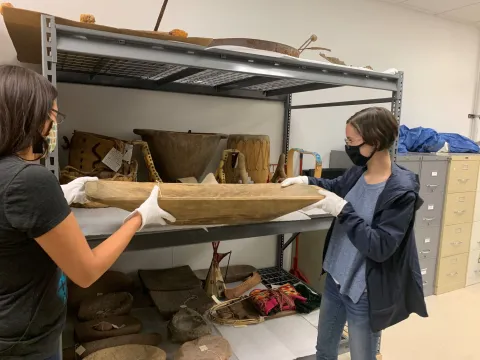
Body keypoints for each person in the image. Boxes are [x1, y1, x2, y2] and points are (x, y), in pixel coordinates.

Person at [0, 65, 175, 359]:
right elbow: (86, 272)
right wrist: (139, 218)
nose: (53, 126)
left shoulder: (11, 176)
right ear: (31, 118)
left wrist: (59, 197)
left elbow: (16, 223)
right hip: (25, 343)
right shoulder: (30, 179)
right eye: (53, 117)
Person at [282, 107, 428, 360]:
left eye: (352, 141)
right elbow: (335, 186)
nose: (347, 146)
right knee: (324, 350)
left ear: (375, 142)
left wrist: (342, 210)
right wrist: (307, 182)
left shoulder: (401, 193)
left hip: (363, 290)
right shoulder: (360, 172)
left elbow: (380, 247)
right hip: (336, 279)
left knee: (362, 356)